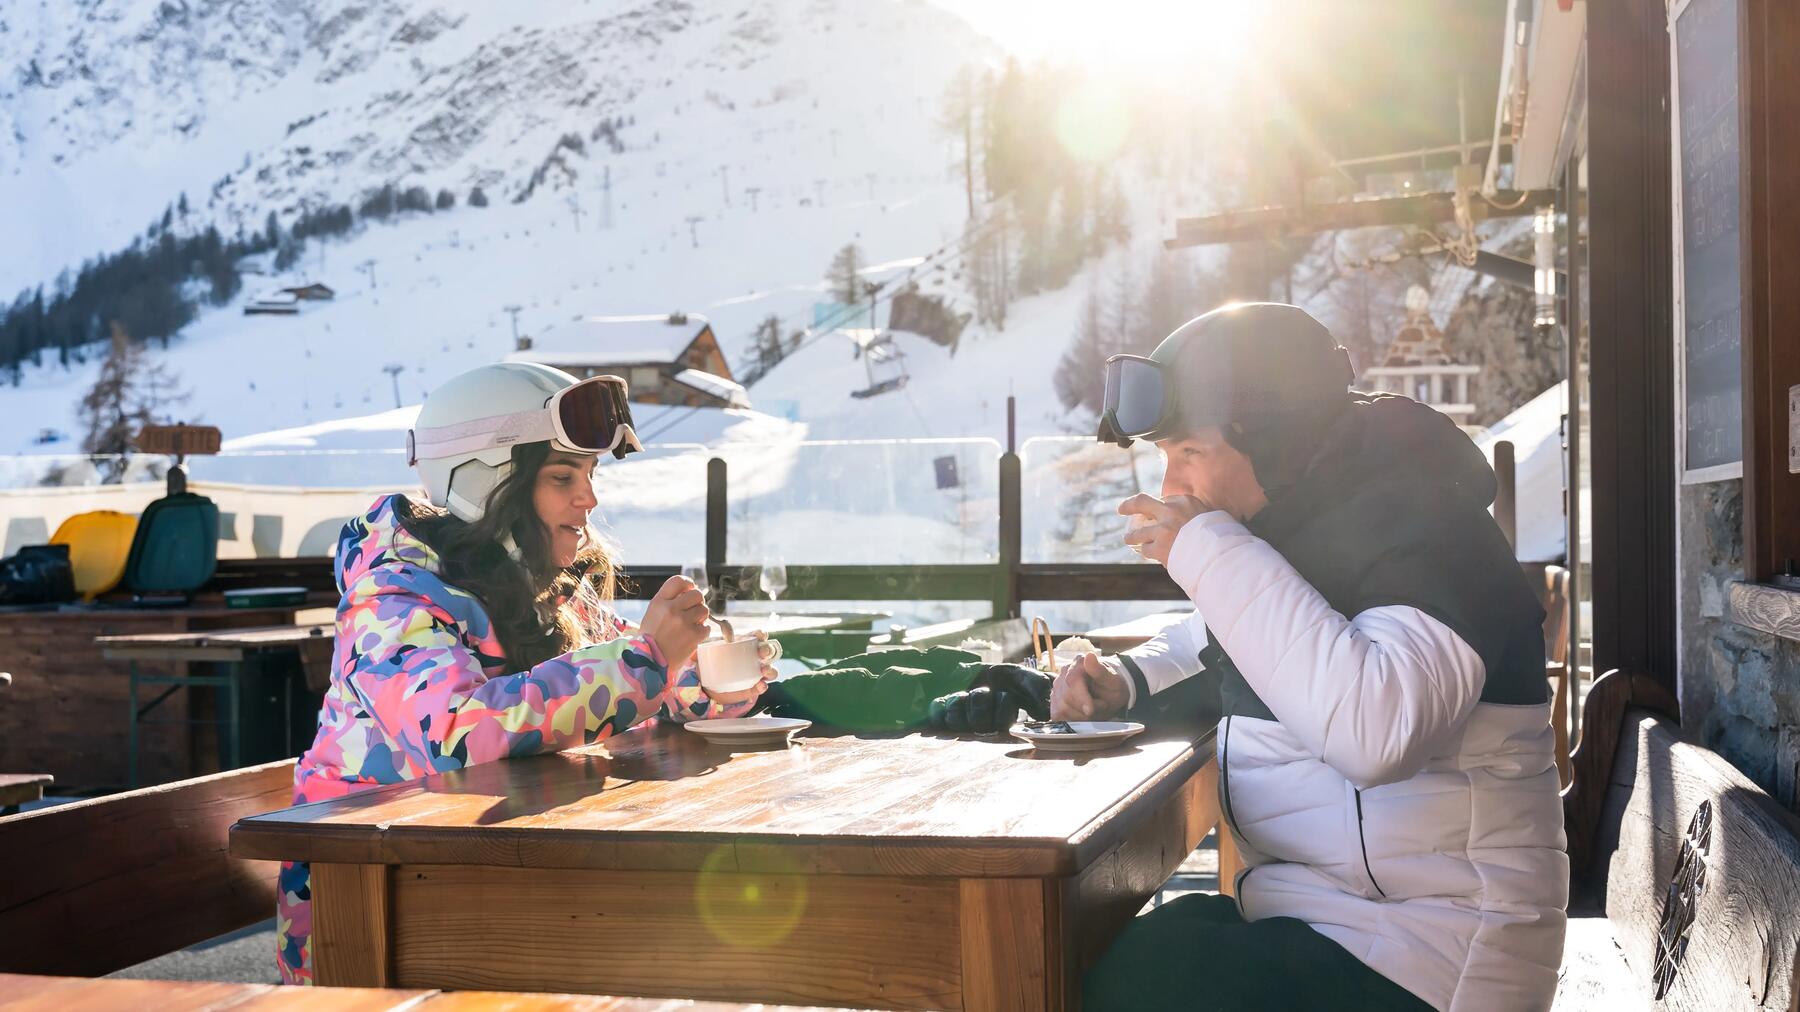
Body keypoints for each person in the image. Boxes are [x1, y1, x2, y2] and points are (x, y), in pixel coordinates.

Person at [1059, 303, 1566, 1011]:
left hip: (1437, 959)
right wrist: (1124, 681)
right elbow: (1227, 641)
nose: (1172, 486)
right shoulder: (1316, 533)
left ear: (1275, 442)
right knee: (1079, 956)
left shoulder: (1433, 530)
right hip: (1338, 926)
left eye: (1189, 453)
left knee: (1106, 985)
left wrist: (1211, 553)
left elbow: (1376, 728)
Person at [275, 363, 772, 984]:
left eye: (589, 474)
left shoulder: (547, 590)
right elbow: (455, 734)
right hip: (367, 909)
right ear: (483, 483)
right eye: (563, 476)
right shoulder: (393, 598)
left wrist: (703, 677)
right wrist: (648, 660)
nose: (588, 498)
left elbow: (626, 678)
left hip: (487, 876)